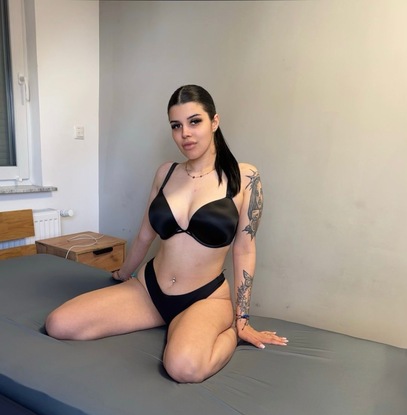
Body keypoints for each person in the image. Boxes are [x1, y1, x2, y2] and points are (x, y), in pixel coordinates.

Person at [45, 84, 288, 383]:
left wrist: (242, 319)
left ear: (214, 121)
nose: (185, 133)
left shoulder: (245, 176)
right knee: (59, 323)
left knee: (184, 368)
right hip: (149, 289)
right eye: (176, 125)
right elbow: (145, 236)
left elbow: (245, 249)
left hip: (204, 298)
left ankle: (229, 334)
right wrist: (123, 273)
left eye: (195, 121)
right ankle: (172, 319)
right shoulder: (166, 173)